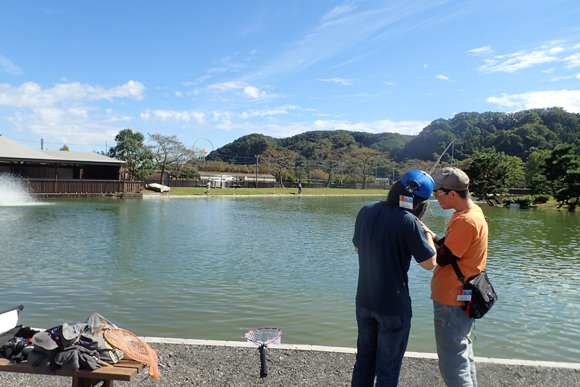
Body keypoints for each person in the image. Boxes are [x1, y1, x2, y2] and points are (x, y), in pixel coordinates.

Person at [352, 170, 437, 387]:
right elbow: (429, 264)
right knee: (388, 369)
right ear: (422, 202)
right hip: (393, 307)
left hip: (364, 301)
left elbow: (357, 248)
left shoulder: (367, 210)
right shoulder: (409, 221)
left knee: (363, 362)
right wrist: (427, 234)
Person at [422, 167, 488, 387]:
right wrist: (433, 234)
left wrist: (425, 238)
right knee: (463, 355)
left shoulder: (465, 221)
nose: (436, 198)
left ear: (452, 194)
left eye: (438, 193)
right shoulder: (473, 213)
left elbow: (442, 259)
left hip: (451, 298)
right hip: (461, 297)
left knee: (453, 364)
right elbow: (453, 251)